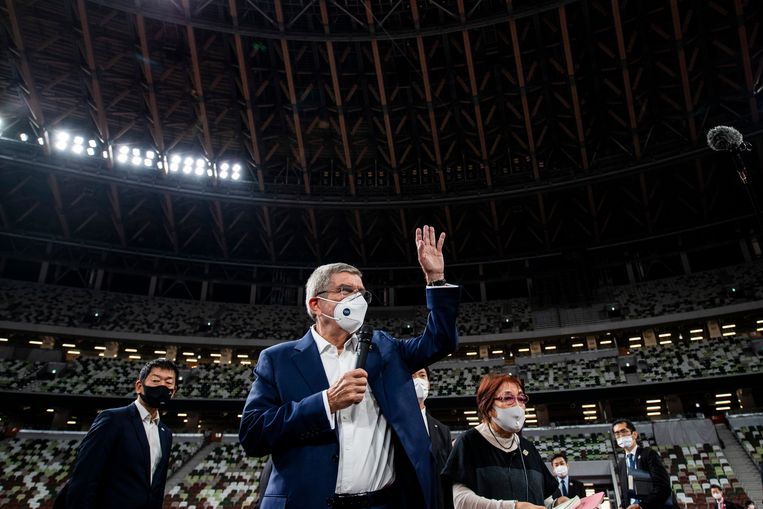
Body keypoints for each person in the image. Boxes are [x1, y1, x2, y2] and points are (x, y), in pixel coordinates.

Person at [239, 225, 460, 509]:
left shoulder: (385, 348)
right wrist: (326, 402)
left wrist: (436, 280)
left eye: (361, 293)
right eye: (345, 290)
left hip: (384, 503)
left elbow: (441, 341)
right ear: (316, 304)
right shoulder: (278, 360)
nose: (357, 299)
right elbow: (253, 435)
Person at [59, 358, 178, 509]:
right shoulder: (113, 419)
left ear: (173, 392)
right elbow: (85, 476)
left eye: (168, 382)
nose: (162, 386)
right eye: (156, 380)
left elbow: (156, 486)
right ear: (139, 386)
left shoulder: (165, 433)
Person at [442, 373, 565, 509]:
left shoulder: (528, 448)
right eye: (508, 398)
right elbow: (460, 500)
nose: (518, 406)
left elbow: (543, 499)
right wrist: (513, 507)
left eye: (521, 398)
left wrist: (557, 504)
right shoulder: (468, 442)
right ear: (488, 408)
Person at [413, 367, 453, 509]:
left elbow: (448, 480)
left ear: (429, 382)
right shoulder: (389, 425)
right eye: (411, 376)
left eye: (422, 375)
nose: (418, 380)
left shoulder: (442, 430)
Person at [612, 419, 673, 509]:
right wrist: (622, 506)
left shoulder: (648, 454)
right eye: (617, 433)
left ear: (634, 434)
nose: (620, 435)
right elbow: (625, 493)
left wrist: (641, 506)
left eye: (624, 431)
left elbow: (663, 486)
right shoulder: (621, 464)